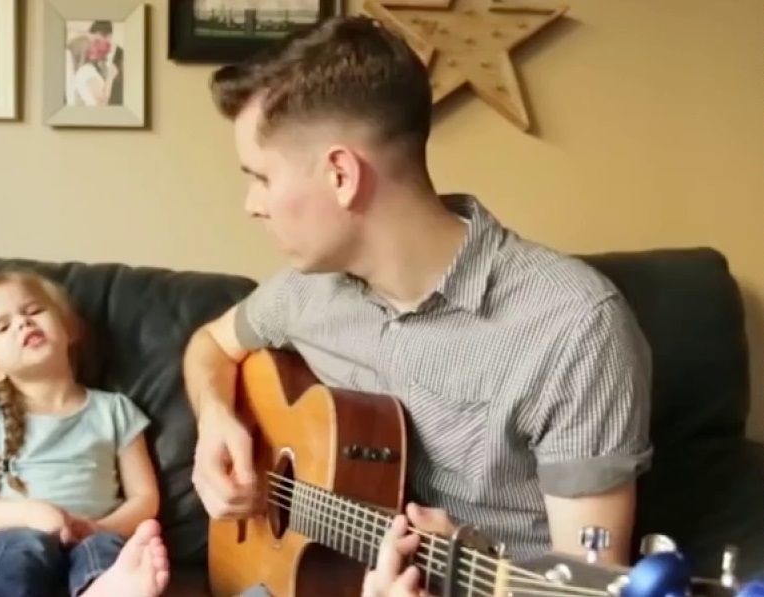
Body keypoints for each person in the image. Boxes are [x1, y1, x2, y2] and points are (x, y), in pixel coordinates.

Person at [183, 14, 652, 595]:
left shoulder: (574, 327)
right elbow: (209, 345)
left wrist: (466, 560)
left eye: (260, 177)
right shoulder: (308, 288)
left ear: (340, 175)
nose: (251, 205)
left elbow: (592, 584)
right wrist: (213, 421)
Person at [0, 269, 170, 597]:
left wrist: (100, 527)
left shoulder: (115, 410)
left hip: (91, 536)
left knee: (107, 550)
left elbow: (145, 498)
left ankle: (103, 590)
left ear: (68, 328)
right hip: (12, 536)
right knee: (19, 551)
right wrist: (31, 514)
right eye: (3, 326)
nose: (24, 323)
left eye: (33, 310)